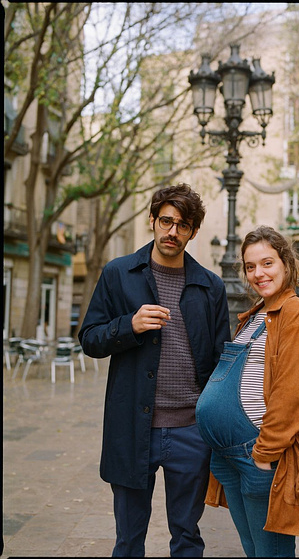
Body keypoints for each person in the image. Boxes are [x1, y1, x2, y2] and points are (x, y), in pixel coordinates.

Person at [78, 182, 231, 557]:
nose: (172, 232)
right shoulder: (118, 274)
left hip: (190, 433)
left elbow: (220, 365)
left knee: (187, 537)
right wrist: (127, 325)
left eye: (183, 225)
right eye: (166, 221)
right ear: (152, 220)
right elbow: (90, 338)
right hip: (132, 429)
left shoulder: (210, 287)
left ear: (193, 232)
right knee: (128, 540)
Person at [196, 225, 299, 558]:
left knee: (272, 553)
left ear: (286, 264)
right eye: (250, 266)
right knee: (253, 549)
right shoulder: (254, 316)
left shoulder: (295, 313)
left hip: (257, 456)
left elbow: (292, 394)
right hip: (226, 457)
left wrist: (265, 455)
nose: (258, 274)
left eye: (267, 263)